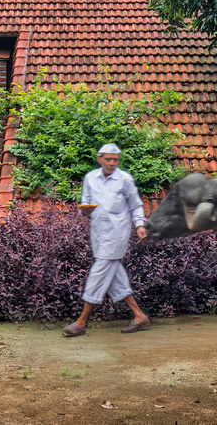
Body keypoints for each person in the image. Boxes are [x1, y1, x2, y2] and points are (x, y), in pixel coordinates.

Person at [62, 143, 149, 337]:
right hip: (98, 234)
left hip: (118, 233)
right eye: (108, 159)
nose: (111, 163)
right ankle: (138, 315)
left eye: (115, 160)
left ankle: (81, 321)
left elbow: (136, 206)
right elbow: (84, 205)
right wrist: (84, 210)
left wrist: (140, 225)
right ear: (100, 159)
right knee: (114, 275)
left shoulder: (125, 180)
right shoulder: (90, 178)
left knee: (99, 272)